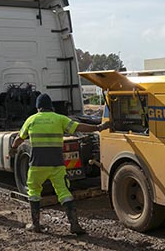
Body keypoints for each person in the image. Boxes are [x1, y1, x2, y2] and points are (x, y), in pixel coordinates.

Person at [11, 93, 110, 235]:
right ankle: (74, 225)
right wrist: (99, 127)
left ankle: (36, 225)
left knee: (33, 192)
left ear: (38, 107)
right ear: (50, 106)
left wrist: (14, 148)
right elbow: (79, 127)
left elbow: (19, 138)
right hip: (56, 164)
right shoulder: (59, 119)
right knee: (64, 193)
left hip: (37, 165)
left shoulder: (31, 120)